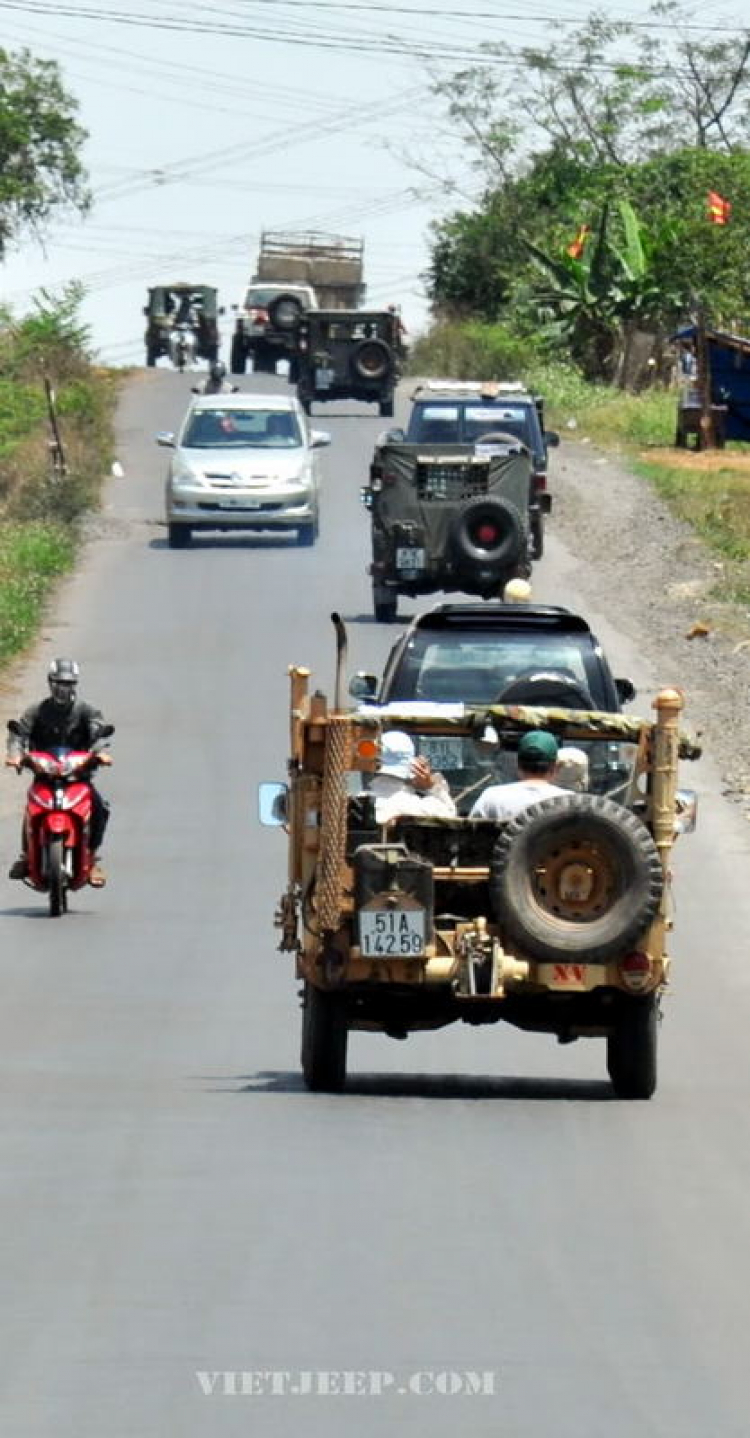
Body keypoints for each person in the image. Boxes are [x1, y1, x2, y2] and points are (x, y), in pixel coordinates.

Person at [5, 658, 112, 886]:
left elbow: (98, 733)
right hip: (44, 775)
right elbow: (19, 733)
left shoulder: (86, 710)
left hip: (78, 776)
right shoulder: (37, 711)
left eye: (68, 683)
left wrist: (100, 753)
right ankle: (26, 856)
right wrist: (15, 755)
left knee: (100, 808)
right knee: (31, 810)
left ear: (75, 684)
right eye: (58, 682)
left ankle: (91, 859)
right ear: (50, 683)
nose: (63, 688)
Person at [470, 730, 569, 821]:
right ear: (554, 767)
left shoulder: (491, 797)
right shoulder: (569, 801)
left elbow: (471, 833)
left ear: (518, 765)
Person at [370, 731, 456, 824]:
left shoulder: (361, 799)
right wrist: (431, 787)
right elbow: (450, 814)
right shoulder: (412, 805)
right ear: (415, 769)